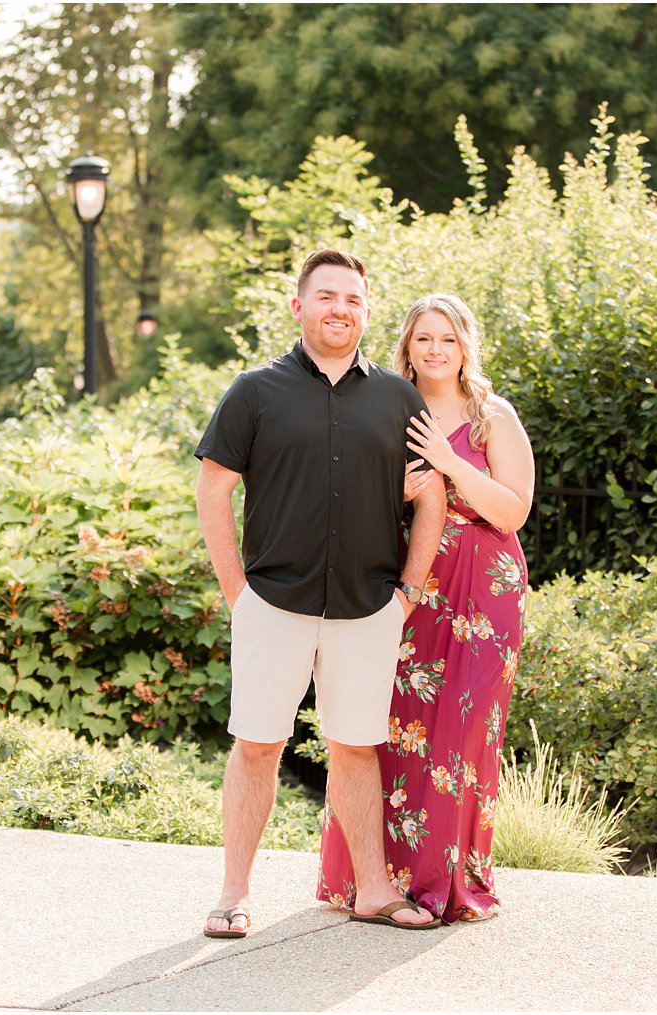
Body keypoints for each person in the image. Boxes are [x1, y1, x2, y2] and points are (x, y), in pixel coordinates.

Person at [195, 249, 447, 939]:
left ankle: (372, 888)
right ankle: (233, 892)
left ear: (367, 311)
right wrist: (236, 592)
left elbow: (432, 497)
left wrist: (409, 592)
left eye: (354, 299)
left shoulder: (398, 398)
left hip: (369, 605)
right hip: (272, 602)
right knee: (257, 743)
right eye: (327, 296)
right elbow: (213, 488)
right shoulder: (254, 391)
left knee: (356, 746)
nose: (341, 308)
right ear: (299, 305)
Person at [317, 291, 535, 925]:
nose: (435, 350)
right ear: (406, 347)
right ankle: (374, 880)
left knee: (464, 733)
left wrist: (447, 465)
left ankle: (451, 881)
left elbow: (513, 510)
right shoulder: (389, 409)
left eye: (447, 338)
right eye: (423, 339)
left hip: (483, 585)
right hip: (408, 581)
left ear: (466, 345)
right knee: (392, 725)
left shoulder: (493, 417)